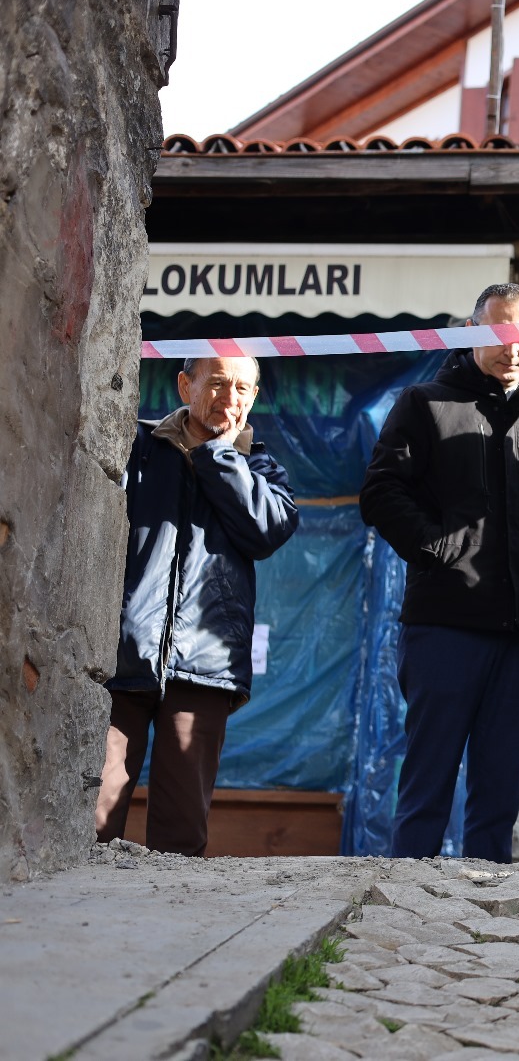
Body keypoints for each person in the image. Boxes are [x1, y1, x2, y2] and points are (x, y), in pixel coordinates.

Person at [360, 283, 519, 862]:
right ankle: (400, 909)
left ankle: (486, 928)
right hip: (445, 628)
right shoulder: (425, 403)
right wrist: (440, 549)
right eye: (499, 331)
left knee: (500, 793)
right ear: (471, 330)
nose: (512, 347)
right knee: (428, 784)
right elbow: (382, 493)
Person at [96, 356, 299, 856]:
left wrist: (220, 456)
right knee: (91, 819)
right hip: (119, 657)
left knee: (181, 834)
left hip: (204, 667)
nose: (231, 397)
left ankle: (168, 932)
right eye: (218, 383)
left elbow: (265, 531)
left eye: (244, 388)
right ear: (185, 385)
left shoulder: (262, 467)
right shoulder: (136, 448)